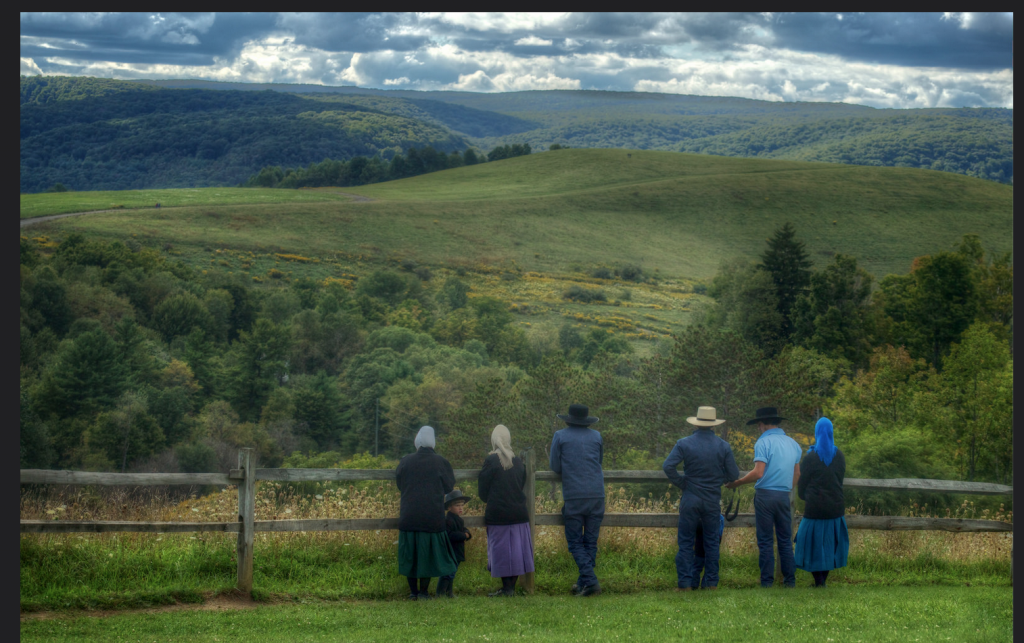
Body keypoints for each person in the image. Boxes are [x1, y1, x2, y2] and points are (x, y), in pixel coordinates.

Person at [663, 406, 740, 592]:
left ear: (696, 423)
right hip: (712, 498)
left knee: (686, 541)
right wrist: (718, 481)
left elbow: (668, 466)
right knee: (712, 541)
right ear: (713, 425)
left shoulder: (684, 443)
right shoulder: (723, 445)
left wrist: (683, 483)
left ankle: (685, 584)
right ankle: (711, 583)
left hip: (690, 497)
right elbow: (734, 474)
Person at [726, 407, 803, 588]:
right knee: (785, 540)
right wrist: (786, 488)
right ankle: (789, 581)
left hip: (765, 496)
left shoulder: (763, 443)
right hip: (783, 495)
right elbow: (797, 473)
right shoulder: (793, 444)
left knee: (766, 540)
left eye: (758, 425)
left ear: (762, 424)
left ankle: (767, 582)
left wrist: (738, 483)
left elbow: (758, 472)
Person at [395, 426, 457, 600]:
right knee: (427, 556)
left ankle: (413, 592)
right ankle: (423, 592)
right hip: (432, 517)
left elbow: (400, 484)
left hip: (410, 516)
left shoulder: (405, 461)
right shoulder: (441, 462)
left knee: (411, 556)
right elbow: (449, 487)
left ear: (418, 441)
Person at [550, 403, 605, 597]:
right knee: (590, 541)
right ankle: (584, 583)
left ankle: (590, 583)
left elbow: (555, 466)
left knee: (574, 542)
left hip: (574, 494)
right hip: (597, 494)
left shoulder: (560, 436)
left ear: (568, 419)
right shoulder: (597, 436)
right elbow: (598, 462)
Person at [478, 424, 535, 597]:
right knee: (517, 551)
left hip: (498, 514)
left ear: (494, 440)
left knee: (501, 551)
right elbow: (521, 483)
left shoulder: (491, 461)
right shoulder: (518, 462)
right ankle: (510, 587)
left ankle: (507, 588)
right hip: (519, 513)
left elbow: (483, 491)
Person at [795, 417, 849, 587]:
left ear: (817, 433)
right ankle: (822, 582)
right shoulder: (839, 456)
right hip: (835, 508)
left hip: (814, 510)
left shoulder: (811, 457)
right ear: (831, 432)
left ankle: (819, 582)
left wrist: (805, 496)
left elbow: (802, 484)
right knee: (829, 546)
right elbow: (838, 480)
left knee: (808, 543)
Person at [438, 489, 472, 598]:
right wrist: (463, 535)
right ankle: (441, 593)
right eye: (457, 505)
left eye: (462, 505)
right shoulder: (448, 520)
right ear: (449, 507)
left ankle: (449, 593)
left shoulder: (458, 519)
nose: (461, 508)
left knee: (452, 572)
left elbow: (463, 529)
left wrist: (467, 533)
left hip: (457, 550)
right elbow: (449, 535)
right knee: (448, 572)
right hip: (451, 550)